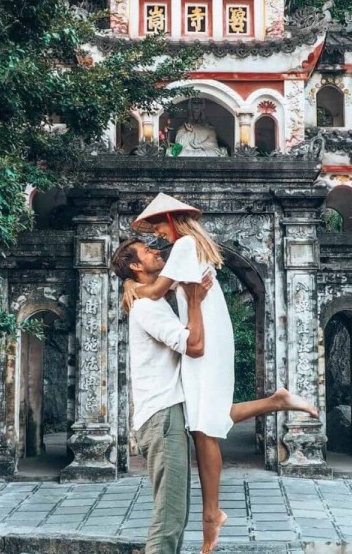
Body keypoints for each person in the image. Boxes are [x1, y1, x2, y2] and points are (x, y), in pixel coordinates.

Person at [123, 193, 318, 554]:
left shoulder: (182, 247)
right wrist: (132, 284)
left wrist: (130, 287)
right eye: (149, 241)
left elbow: (154, 289)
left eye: (156, 231)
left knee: (201, 425)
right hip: (211, 329)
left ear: (170, 222)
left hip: (205, 335)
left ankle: (211, 514)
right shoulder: (189, 246)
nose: (156, 242)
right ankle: (276, 401)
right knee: (207, 415)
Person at [110, 237, 212, 554]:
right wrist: (194, 302)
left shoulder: (150, 299)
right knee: (169, 516)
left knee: (176, 512)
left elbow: (167, 282)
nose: (157, 251)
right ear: (137, 266)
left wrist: (129, 281)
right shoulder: (146, 308)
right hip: (162, 416)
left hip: (165, 414)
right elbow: (194, 347)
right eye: (147, 250)